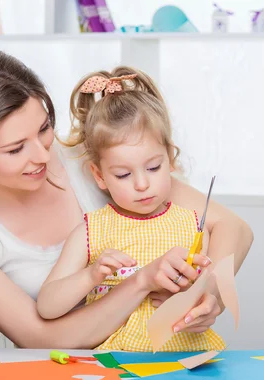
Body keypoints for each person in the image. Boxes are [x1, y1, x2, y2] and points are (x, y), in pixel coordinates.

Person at [0, 47, 254, 348]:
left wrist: (210, 294)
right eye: (15, 149)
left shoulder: (98, 162)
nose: (41, 155)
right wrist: (141, 283)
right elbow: (40, 338)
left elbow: (233, 228)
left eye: (43, 129)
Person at [37, 68, 225, 352]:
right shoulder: (92, 230)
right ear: (99, 176)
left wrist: (199, 301)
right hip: (117, 364)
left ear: (170, 160)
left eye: (153, 167)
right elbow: (47, 306)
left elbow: (204, 293)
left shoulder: (193, 226)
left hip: (187, 359)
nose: (141, 184)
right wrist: (91, 276)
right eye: (123, 175)